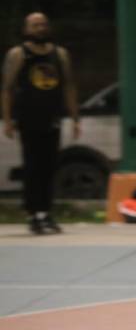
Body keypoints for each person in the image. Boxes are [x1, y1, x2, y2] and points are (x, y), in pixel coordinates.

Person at [1, 12, 79, 235]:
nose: (40, 28)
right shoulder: (18, 54)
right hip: (28, 117)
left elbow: (69, 86)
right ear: (26, 29)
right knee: (32, 165)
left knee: (49, 165)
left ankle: (45, 212)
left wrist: (75, 117)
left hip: (52, 116)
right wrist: (7, 120)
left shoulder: (60, 54)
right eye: (35, 25)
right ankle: (33, 213)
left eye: (44, 24)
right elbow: (7, 89)